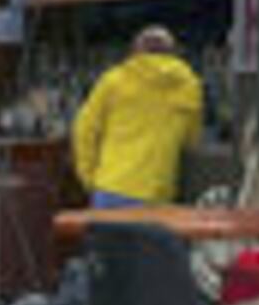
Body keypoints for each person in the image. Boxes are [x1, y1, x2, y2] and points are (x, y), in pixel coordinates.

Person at [71, 23, 202, 208]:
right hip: (156, 191)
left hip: (111, 186)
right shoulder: (189, 86)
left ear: (135, 51)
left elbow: (84, 129)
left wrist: (88, 177)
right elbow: (191, 139)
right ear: (173, 53)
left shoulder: (114, 81)